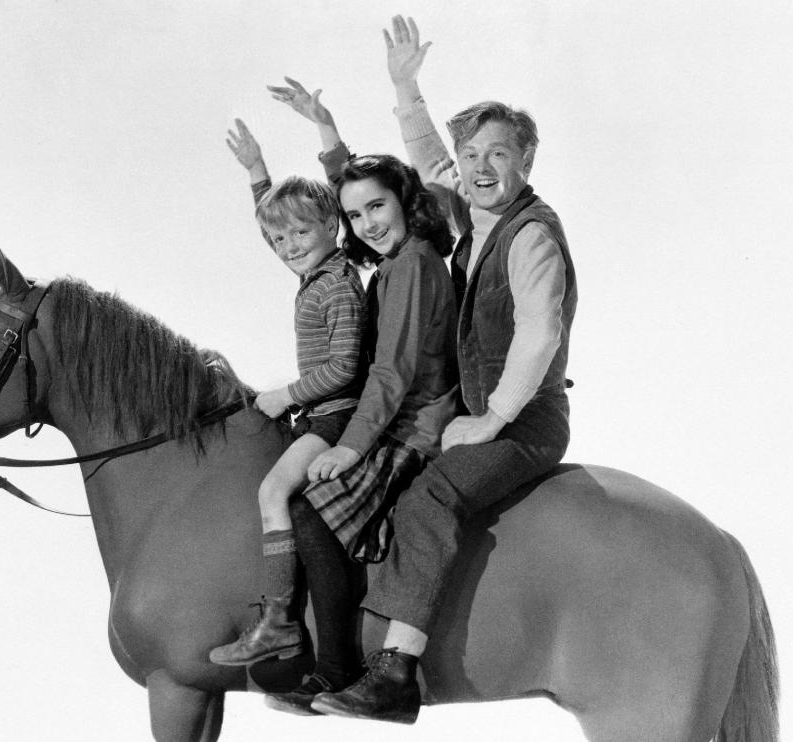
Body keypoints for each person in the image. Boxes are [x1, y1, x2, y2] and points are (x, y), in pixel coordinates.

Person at [309, 16, 578, 724]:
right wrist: (406, 89)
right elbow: (427, 163)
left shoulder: (531, 235)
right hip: (482, 411)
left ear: (527, 160)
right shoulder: (475, 219)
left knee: (429, 498)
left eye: (499, 153)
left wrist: (492, 417)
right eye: (472, 154)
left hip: (527, 421)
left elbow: (540, 332)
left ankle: (396, 674)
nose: (480, 167)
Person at [253, 80, 459, 716]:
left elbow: (390, 374)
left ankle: (339, 668)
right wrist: (325, 130)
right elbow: (344, 201)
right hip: (390, 415)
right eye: (357, 216)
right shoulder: (390, 252)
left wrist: (347, 450)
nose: (367, 224)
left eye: (378, 210)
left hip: (411, 425)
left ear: (404, 201)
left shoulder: (413, 266)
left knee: (313, 511)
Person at [208, 123, 367, 669]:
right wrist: (257, 170)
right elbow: (271, 221)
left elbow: (346, 368)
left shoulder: (339, 284)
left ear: (331, 225)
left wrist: (285, 395)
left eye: (300, 235)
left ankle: (277, 622)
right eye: (279, 241)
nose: (287, 248)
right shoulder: (314, 274)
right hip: (319, 411)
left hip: (337, 417)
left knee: (274, 493)